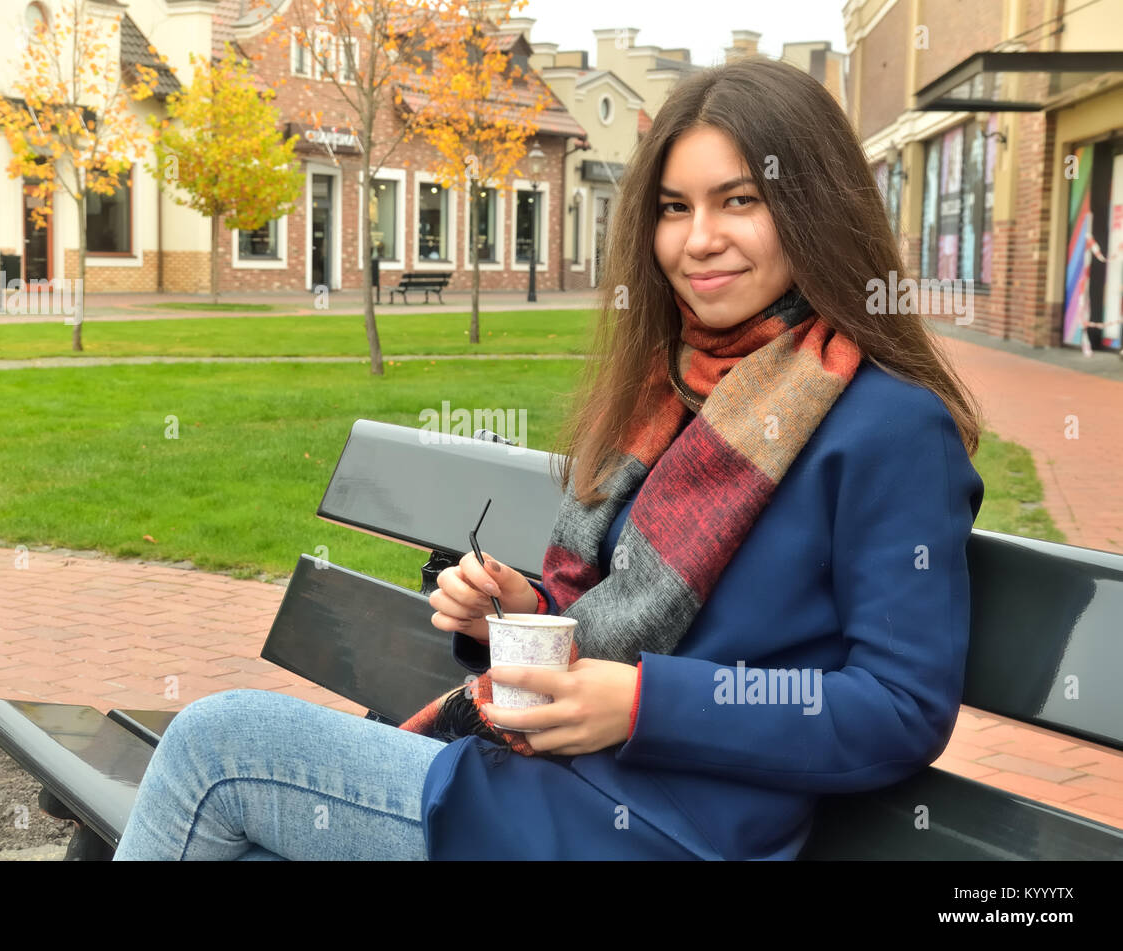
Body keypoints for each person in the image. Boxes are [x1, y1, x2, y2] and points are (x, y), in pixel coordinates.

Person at [113, 55, 985, 861]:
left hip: (665, 827)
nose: (698, 239)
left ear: (814, 208)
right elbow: (620, 612)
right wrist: (518, 612)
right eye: (675, 208)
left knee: (217, 748)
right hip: (550, 778)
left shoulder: (889, 428)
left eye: (740, 200)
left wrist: (645, 706)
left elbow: (900, 708)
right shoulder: (673, 392)